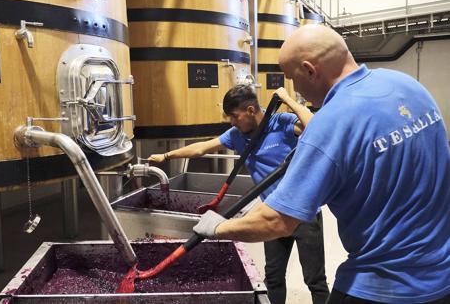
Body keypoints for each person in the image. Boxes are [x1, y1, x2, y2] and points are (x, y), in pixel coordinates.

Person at [193, 24, 450, 304]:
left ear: (310, 70)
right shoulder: (408, 85)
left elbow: (277, 221)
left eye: (292, 77)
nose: (294, 87)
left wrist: (219, 228)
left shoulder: (329, 123)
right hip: (443, 275)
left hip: (382, 285)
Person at [148, 85, 329, 304]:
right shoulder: (237, 135)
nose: (232, 122)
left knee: (315, 280)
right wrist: (166, 156)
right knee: (273, 277)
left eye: (235, 116)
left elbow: (317, 129)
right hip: (271, 212)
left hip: (304, 213)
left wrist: (288, 99)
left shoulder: (282, 123)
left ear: (251, 110)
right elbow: (202, 148)